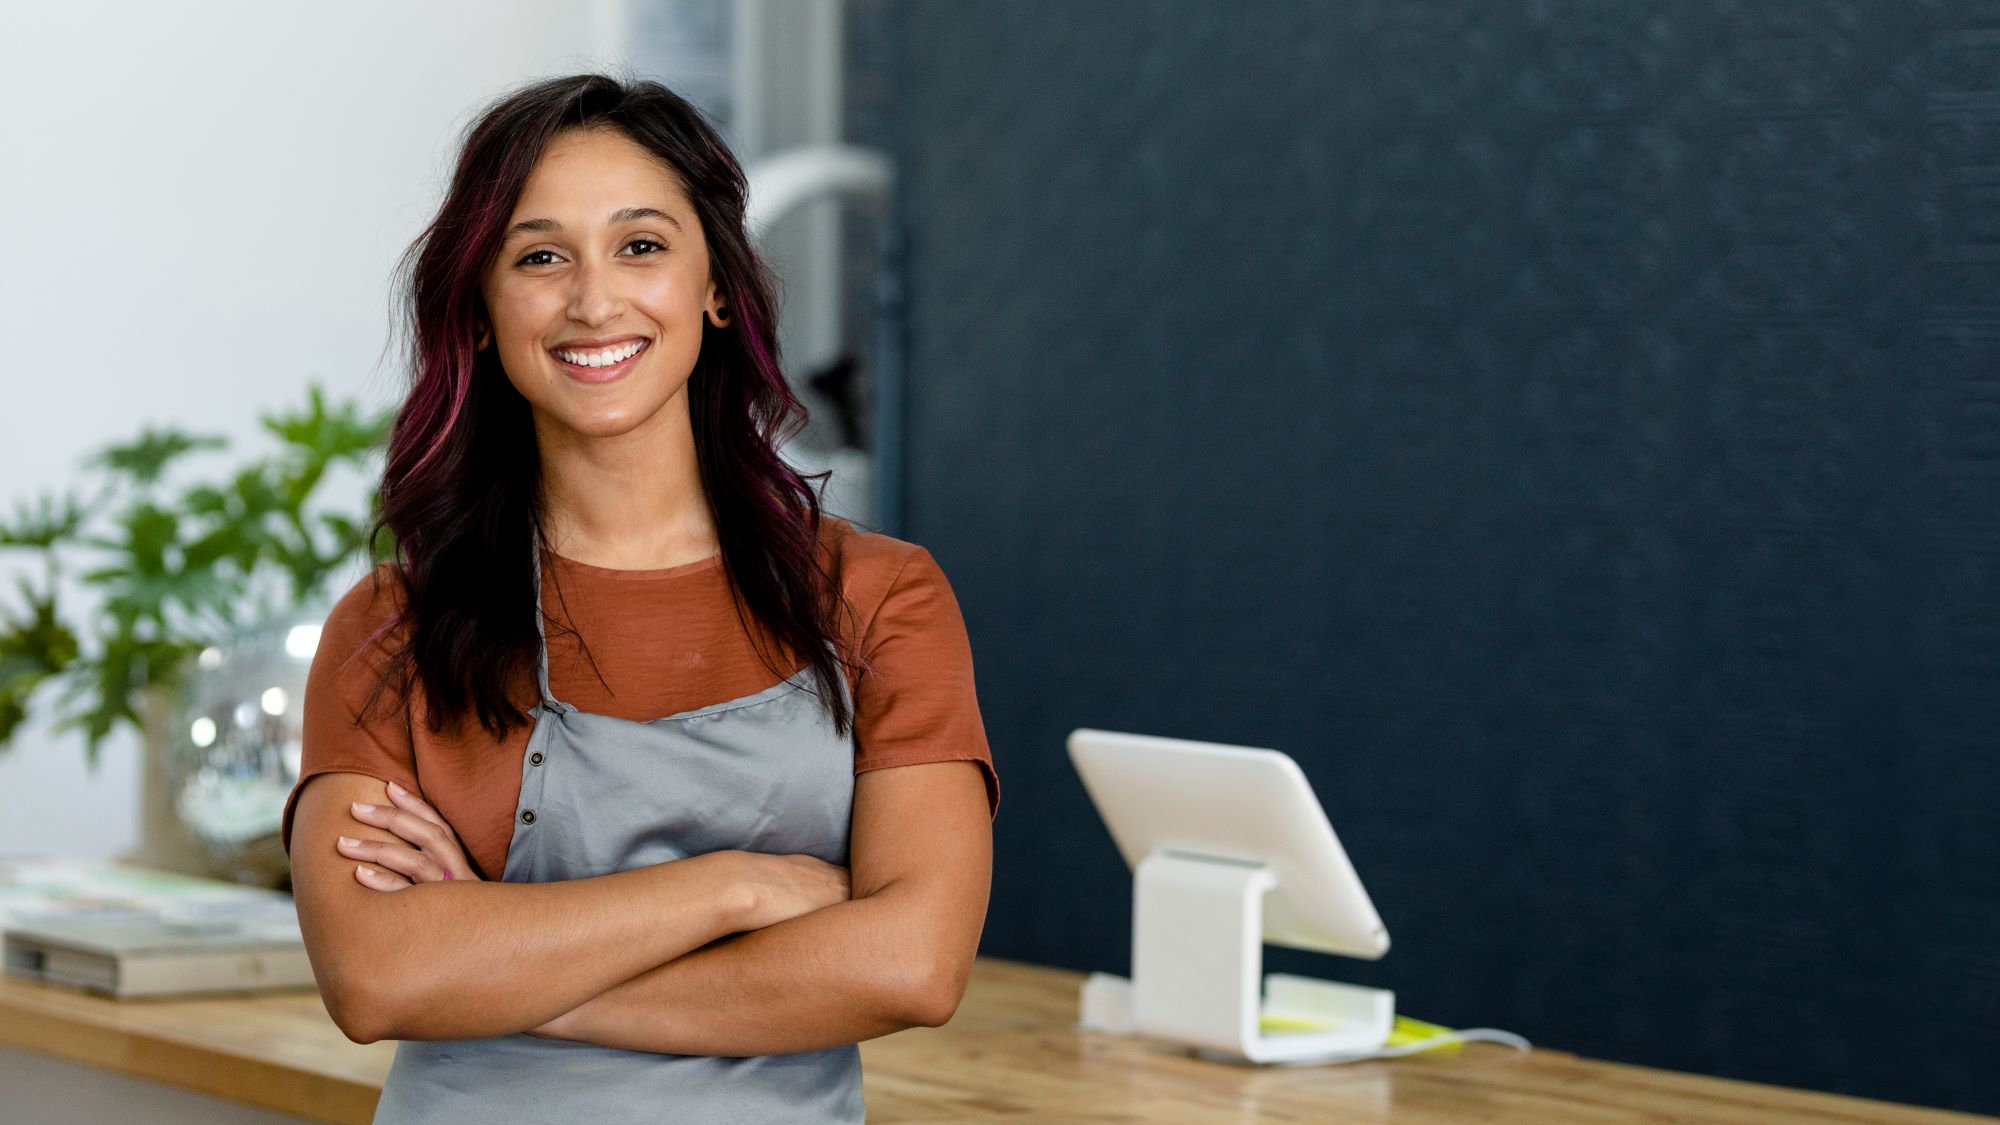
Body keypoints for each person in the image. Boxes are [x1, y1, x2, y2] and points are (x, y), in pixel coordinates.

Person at [280, 72, 999, 1124]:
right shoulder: (394, 627)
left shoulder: (881, 600)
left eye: (641, 245)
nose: (593, 301)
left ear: (716, 287)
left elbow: (909, 967)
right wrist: (734, 890)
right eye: (538, 258)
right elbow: (377, 981)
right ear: (479, 309)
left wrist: (495, 959)